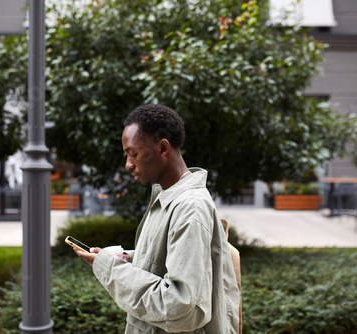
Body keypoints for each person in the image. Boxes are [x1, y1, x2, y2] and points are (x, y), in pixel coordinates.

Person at [75, 104, 240, 333]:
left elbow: (179, 307)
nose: (128, 164)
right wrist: (120, 258)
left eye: (133, 154)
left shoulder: (189, 209)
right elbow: (165, 262)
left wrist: (111, 270)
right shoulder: (166, 197)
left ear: (163, 148)